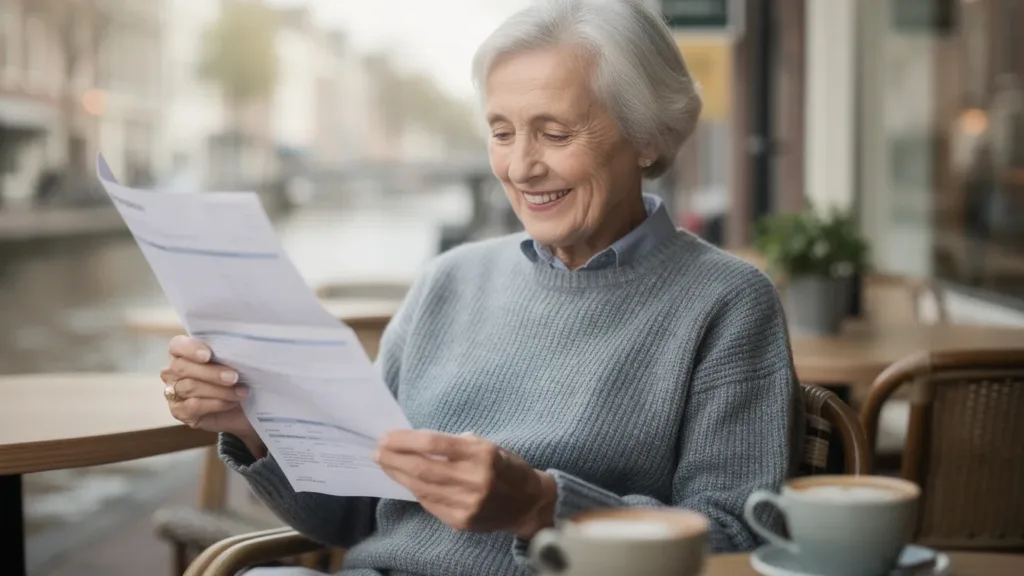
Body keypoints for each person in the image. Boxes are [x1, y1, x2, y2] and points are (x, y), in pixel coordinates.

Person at [161, 1, 799, 574]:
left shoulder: (727, 302)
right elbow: (355, 516)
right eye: (501, 132)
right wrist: (256, 427)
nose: (521, 166)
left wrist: (543, 507)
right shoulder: (448, 280)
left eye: (555, 133)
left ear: (649, 136)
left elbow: (742, 543)